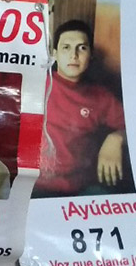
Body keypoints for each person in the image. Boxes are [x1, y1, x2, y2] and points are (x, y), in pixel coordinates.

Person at [33, 19, 127, 197]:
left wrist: (116, 137)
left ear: (90, 55)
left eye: (82, 48)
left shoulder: (101, 97)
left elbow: (134, 126)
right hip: (35, 186)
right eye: (66, 48)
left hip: (81, 189)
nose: (74, 55)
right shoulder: (38, 84)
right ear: (54, 54)